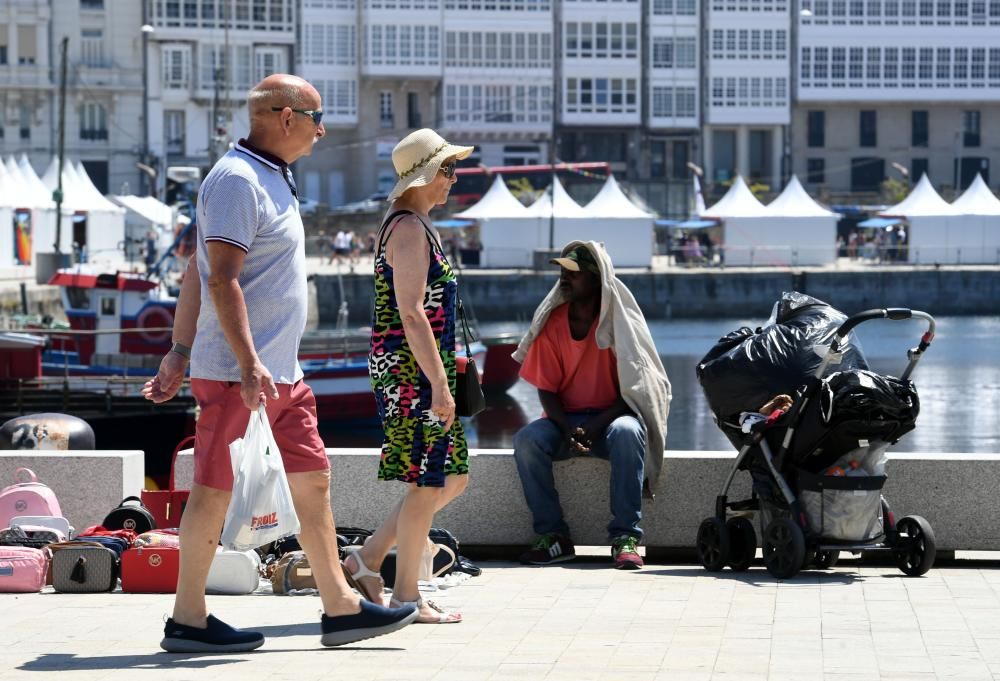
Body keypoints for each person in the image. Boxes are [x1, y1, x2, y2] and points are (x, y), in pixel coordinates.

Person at [142, 74, 417, 653]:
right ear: (285, 117)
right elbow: (218, 277)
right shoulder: (238, 180)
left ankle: (340, 606)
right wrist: (231, 360)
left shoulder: (273, 176)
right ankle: (187, 618)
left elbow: (193, 265)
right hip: (239, 377)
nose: (323, 130)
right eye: (318, 117)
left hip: (280, 375)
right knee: (213, 491)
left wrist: (178, 347)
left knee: (314, 481)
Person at [340, 128, 472, 624]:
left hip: (417, 369)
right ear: (425, 176)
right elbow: (412, 313)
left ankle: (368, 557)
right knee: (428, 482)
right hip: (413, 374)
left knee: (451, 478)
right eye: (448, 170)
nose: (452, 181)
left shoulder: (411, 223)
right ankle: (406, 597)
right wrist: (439, 385)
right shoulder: (411, 229)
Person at [511, 242, 672, 570]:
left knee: (629, 433)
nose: (565, 279)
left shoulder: (619, 324)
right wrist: (566, 428)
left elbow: (633, 391)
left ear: (598, 279)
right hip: (565, 424)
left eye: (574, 273)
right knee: (527, 441)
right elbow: (546, 389)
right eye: (562, 272)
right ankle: (554, 536)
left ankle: (625, 538)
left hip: (613, 420)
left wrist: (594, 426)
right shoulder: (554, 323)